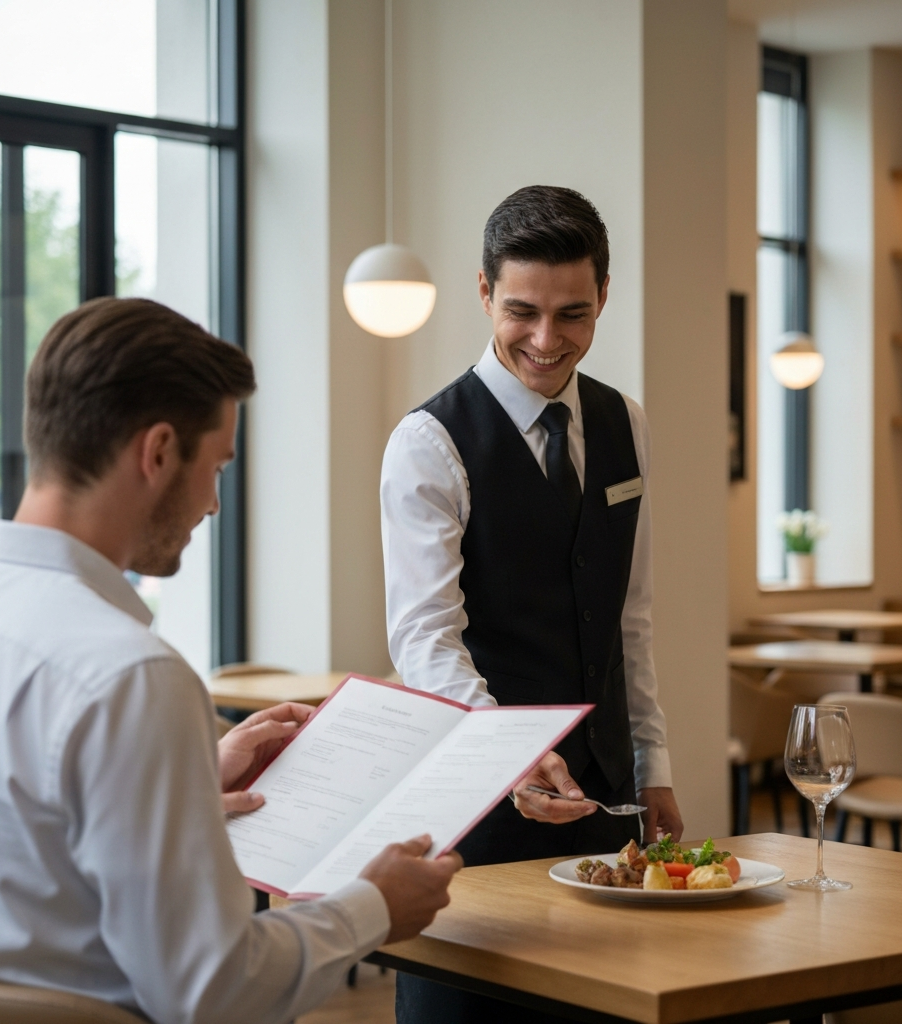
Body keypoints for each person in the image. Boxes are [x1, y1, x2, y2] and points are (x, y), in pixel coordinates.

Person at [0, 297, 461, 1024]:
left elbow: (28, 843)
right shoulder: (133, 679)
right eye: (218, 466)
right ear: (159, 451)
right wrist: (373, 907)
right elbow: (212, 993)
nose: (213, 505)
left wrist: (188, 781)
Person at [381, 185, 682, 1022]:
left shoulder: (627, 422)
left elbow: (631, 616)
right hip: (478, 812)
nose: (547, 341)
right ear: (483, 293)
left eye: (573, 315)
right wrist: (509, 752)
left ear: (604, 299)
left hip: (602, 801)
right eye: (521, 311)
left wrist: (652, 765)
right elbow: (426, 642)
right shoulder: (429, 442)